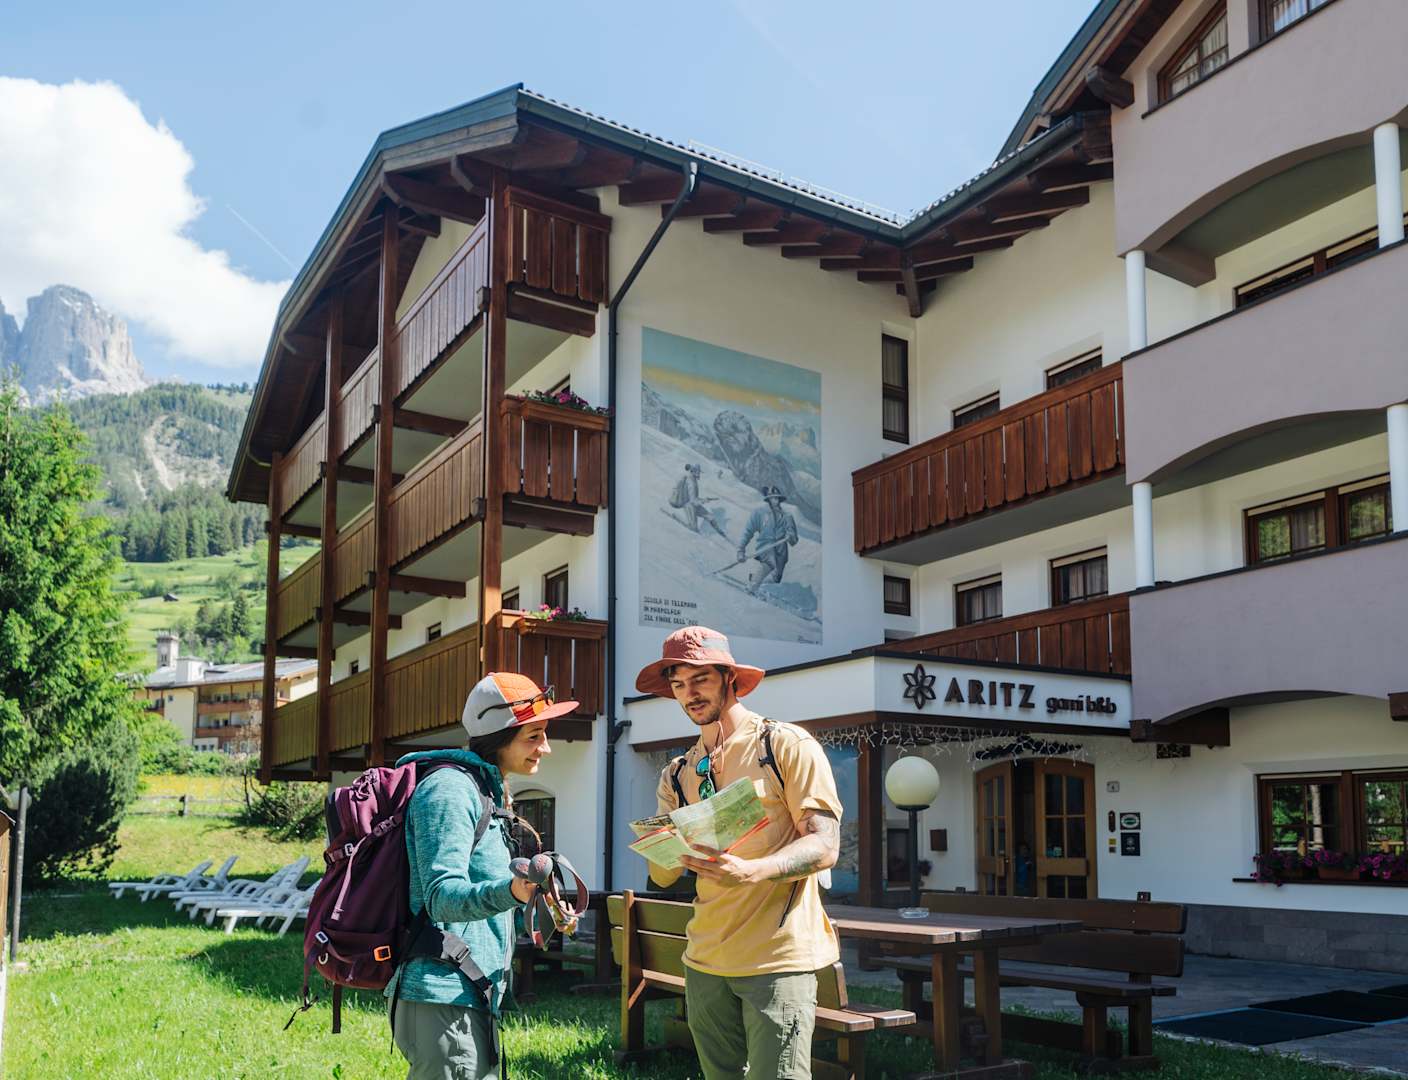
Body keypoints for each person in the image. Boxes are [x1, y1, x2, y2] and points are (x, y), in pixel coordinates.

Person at [636, 626, 842, 1080]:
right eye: (678, 685)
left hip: (776, 960)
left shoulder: (784, 745)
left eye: (700, 680)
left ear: (729, 677)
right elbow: (662, 876)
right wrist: (668, 847)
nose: (689, 694)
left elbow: (825, 845)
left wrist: (754, 870)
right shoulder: (677, 774)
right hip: (703, 959)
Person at [388, 672, 579, 1080]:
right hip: (444, 997)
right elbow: (441, 897)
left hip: (471, 993)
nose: (546, 747)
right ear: (498, 736)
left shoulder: (488, 791)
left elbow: (484, 896)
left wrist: (539, 906)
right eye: (534, 735)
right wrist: (512, 890)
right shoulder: (450, 790)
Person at [738, 486, 799, 594]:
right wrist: (741, 550)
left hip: (781, 551)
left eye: (777, 498)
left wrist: (791, 536)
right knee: (769, 564)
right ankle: (751, 588)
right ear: (768, 499)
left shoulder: (787, 516)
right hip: (766, 546)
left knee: (776, 578)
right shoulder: (759, 513)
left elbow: (794, 538)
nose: (775, 500)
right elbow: (748, 531)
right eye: (773, 498)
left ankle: (755, 578)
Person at [671, 463, 729, 540]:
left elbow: (694, 499)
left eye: (699, 472)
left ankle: (720, 532)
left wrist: (704, 500)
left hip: (694, 505)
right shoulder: (691, 482)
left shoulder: (693, 479)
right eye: (698, 472)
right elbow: (693, 500)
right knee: (694, 528)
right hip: (689, 506)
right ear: (694, 471)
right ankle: (678, 517)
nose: (699, 474)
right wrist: (704, 500)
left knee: (710, 516)